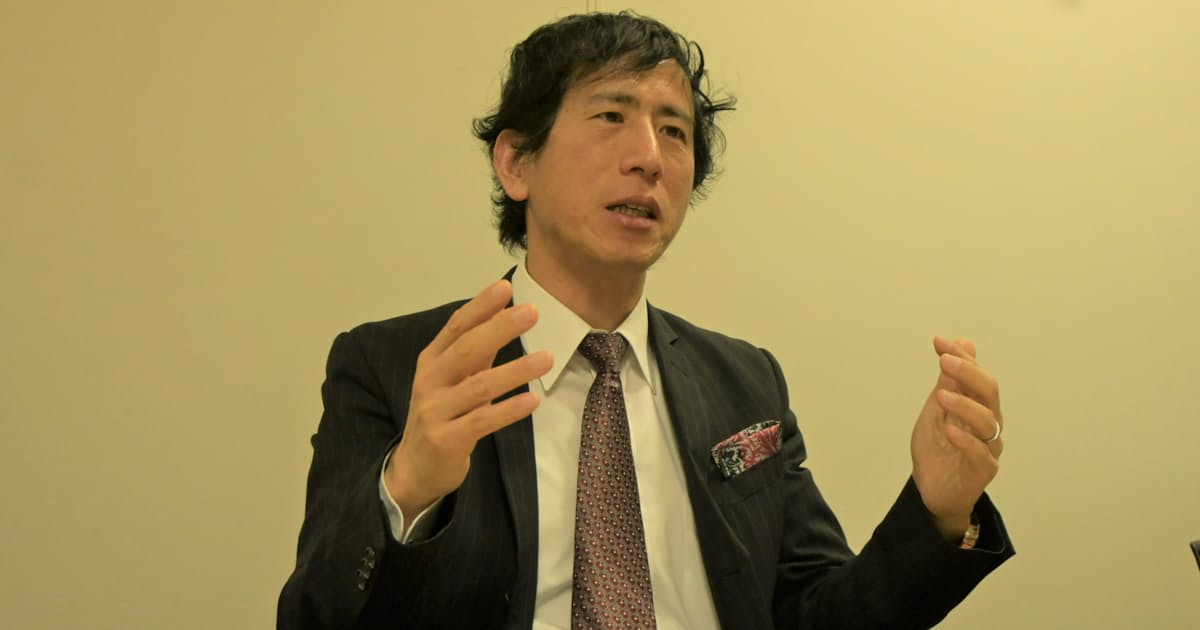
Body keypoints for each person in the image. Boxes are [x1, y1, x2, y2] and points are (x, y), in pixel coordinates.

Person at [278, 11, 1013, 630]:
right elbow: (315, 616)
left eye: (675, 131)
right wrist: (408, 490)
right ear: (516, 164)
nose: (649, 158)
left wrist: (937, 512)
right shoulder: (399, 366)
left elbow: (819, 615)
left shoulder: (744, 381)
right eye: (611, 116)